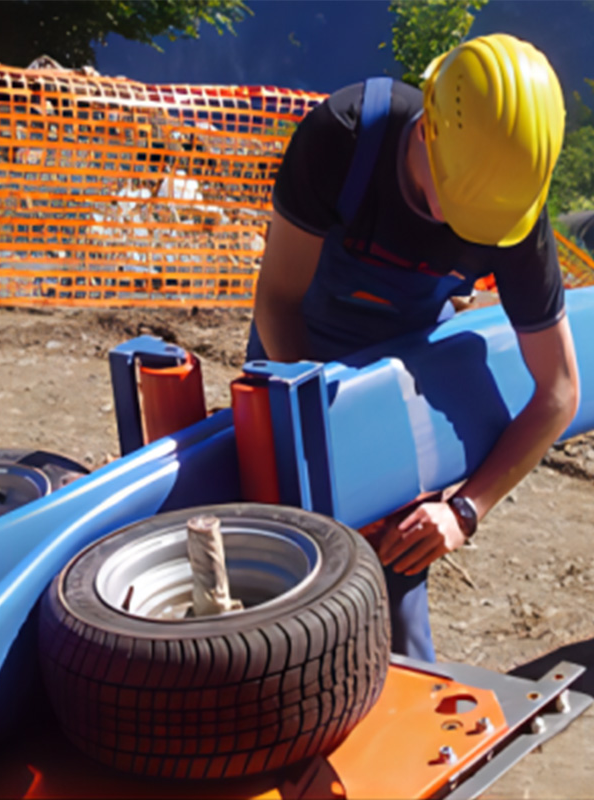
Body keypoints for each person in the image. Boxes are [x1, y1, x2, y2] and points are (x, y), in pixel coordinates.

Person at [247, 33, 580, 661]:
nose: (461, 228)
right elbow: (278, 304)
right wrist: (330, 447)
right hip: (298, 351)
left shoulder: (513, 218)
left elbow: (559, 392)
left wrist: (463, 511)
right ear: (427, 128)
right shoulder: (344, 138)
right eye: (451, 205)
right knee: (285, 561)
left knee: (398, 572)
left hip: (404, 368)